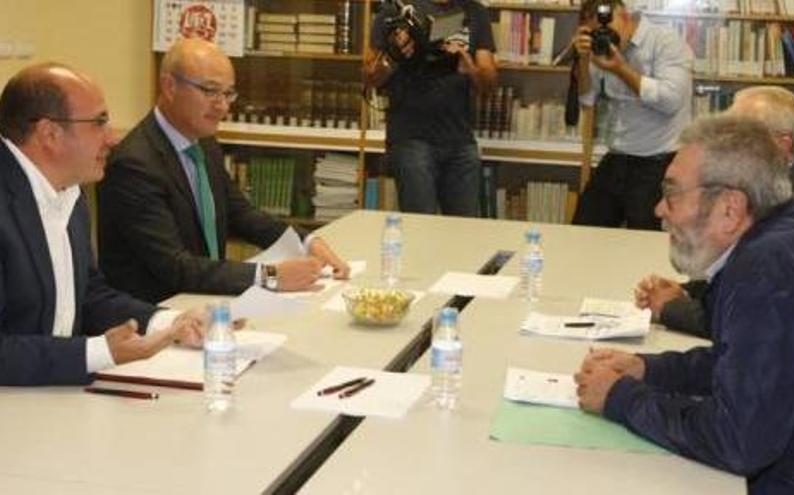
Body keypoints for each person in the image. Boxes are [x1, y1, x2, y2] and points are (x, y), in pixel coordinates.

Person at [575, 115, 794, 494]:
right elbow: (746, 364)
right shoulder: (788, 229)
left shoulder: (764, 269)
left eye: (672, 194)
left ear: (730, 209)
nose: (658, 210)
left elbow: (739, 440)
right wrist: (647, 369)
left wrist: (620, 398)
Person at [97, 38, 350, 304]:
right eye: (210, 91)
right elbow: (175, 267)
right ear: (169, 86)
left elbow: (241, 214)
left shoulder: (203, 142)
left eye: (228, 93)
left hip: (202, 301)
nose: (223, 106)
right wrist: (270, 275)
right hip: (154, 315)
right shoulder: (134, 164)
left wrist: (307, 241)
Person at [0, 63, 205, 386]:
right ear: (49, 134)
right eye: (99, 123)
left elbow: (89, 295)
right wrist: (99, 352)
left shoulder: (68, 190)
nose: (112, 139)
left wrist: (169, 323)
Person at [635, 85, 794, 337]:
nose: (725, 147)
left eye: (742, 137)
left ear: (781, 146)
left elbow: (752, 322)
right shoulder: (781, 186)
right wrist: (690, 291)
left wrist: (671, 307)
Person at [364, 0, 497, 216]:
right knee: (420, 228)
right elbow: (370, 76)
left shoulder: (475, 11)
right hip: (411, 140)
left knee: (464, 231)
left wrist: (470, 68)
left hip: (460, 141)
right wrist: (394, 56)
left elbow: (489, 84)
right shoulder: (396, 12)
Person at [571, 0, 692, 230]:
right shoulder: (602, 46)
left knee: (646, 242)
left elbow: (670, 101)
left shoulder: (664, 41)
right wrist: (584, 60)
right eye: (597, 31)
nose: (605, 35)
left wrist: (620, 68)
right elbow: (586, 99)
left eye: (608, 28)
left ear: (625, 16)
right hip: (618, 156)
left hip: (658, 161)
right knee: (584, 231)